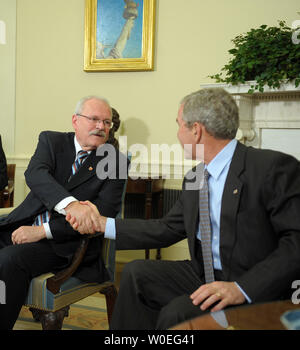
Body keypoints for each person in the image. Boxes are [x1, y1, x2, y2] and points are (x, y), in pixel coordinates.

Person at [67, 88, 300, 330]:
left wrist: (242, 288)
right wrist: (102, 223)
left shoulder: (271, 168)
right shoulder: (195, 177)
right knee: (137, 273)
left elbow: (296, 242)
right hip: (204, 273)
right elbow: (167, 229)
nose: (177, 133)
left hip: (250, 282)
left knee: (176, 313)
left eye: (179, 125)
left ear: (196, 130)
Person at [0, 96, 128, 329]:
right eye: (94, 119)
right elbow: (35, 175)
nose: (101, 127)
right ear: (75, 121)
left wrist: (42, 231)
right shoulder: (52, 141)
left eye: (107, 122)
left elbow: (99, 218)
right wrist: (71, 204)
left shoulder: (115, 162)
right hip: (23, 224)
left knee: (9, 259)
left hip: (66, 244)